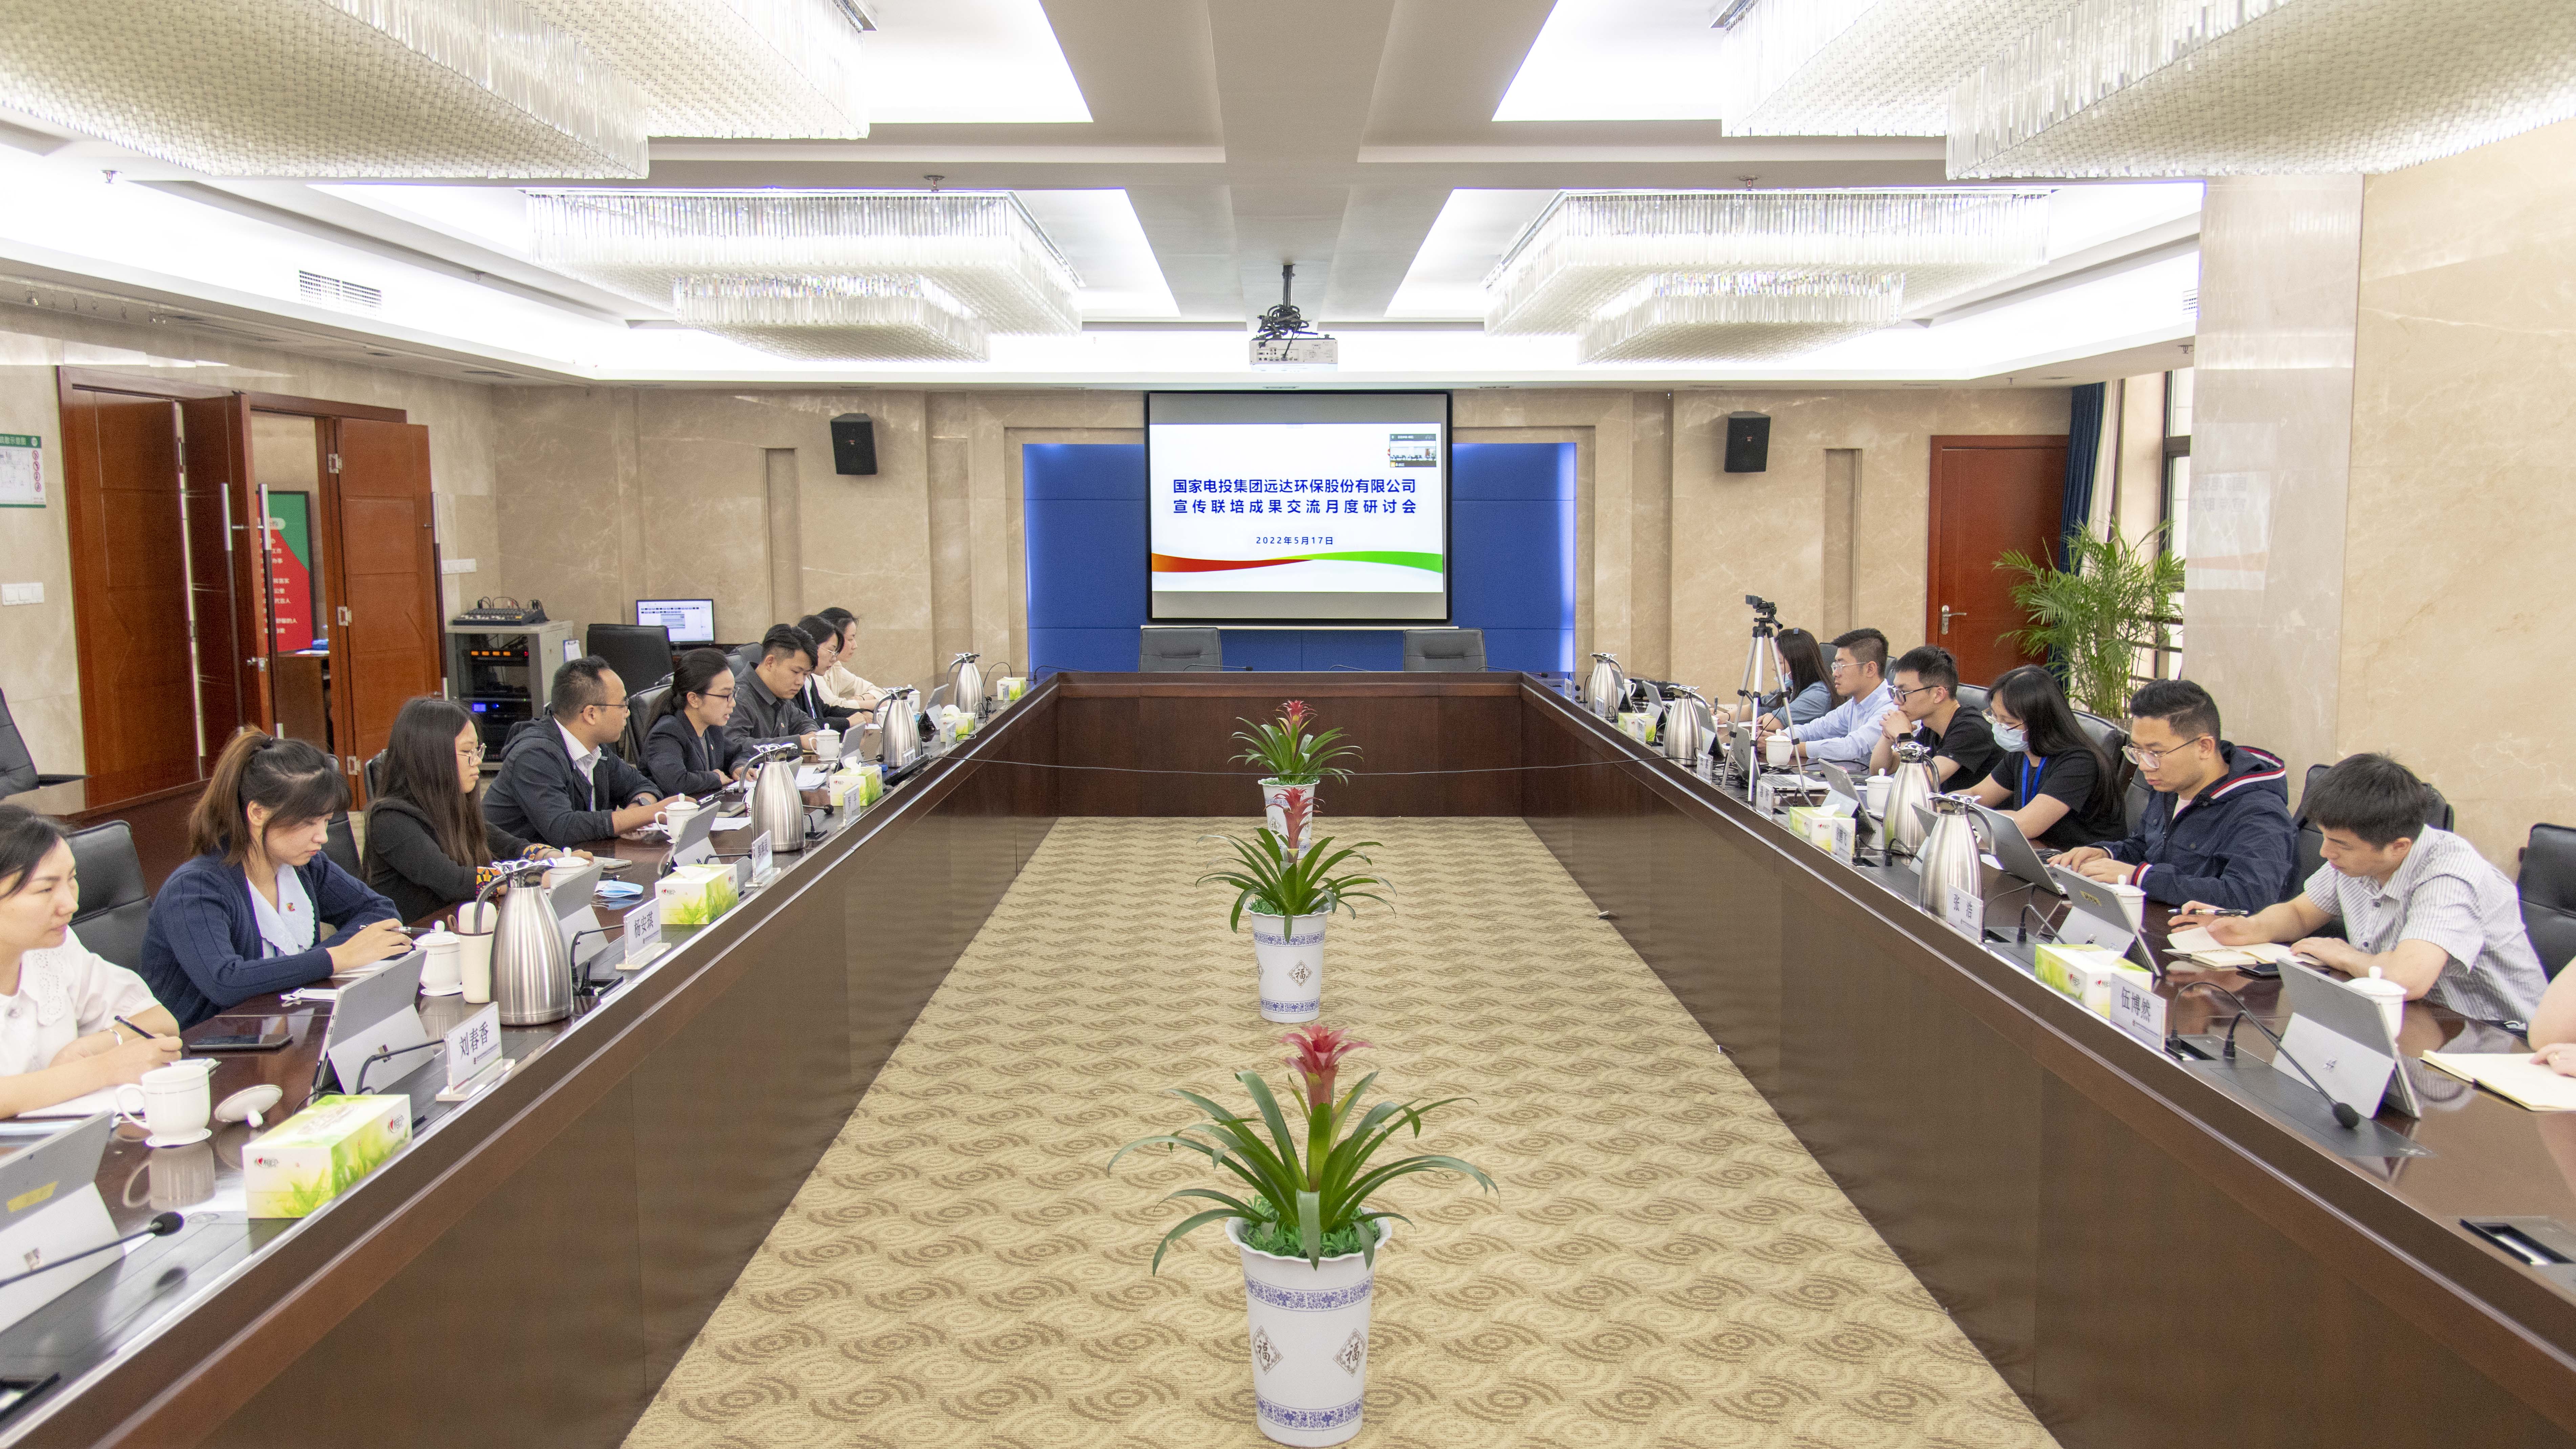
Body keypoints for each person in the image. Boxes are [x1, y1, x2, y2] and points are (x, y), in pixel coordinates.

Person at [2183, 754, 2547, 1022]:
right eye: (2325, 837)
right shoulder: (2357, 855)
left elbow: (2407, 979)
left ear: (2398, 847)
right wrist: (2249, 927)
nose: (2325, 852)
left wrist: (2343, 955)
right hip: (2410, 1020)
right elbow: (2300, 913)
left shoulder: (2450, 875)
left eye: (2339, 844)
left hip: (2494, 1042)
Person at [140, 729, 408, 1029]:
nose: (322, 837)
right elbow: (226, 982)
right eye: (308, 822)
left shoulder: (306, 866)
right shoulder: (194, 889)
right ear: (258, 813)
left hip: (286, 1026)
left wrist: (325, 960)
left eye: (326, 821)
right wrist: (334, 958)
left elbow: (379, 910)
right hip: (206, 1046)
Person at [0, 806, 185, 1116]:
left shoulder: (52, 948)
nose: (70, 904)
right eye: (45, 889)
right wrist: (103, 1068)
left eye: (72, 879)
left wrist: (89, 1048)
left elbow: (160, 1021)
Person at [2050, 679, 2295, 912]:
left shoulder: (2259, 812)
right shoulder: (2171, 785)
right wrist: (2107, 853)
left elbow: (2247, 897)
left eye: (2155, 753)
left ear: (2204, 747)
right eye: (2137, 750)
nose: (2144, 766)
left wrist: (2139, 877)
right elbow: (2146, 845)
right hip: (2156, 916)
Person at [364, 697, 572, 924]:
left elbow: (508, 845)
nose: (477, 761)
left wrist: (549, 857)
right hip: (419, 939)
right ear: (432, 757)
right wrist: (533, 877)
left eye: (477, 750)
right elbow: (454, 881)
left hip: (460, 925)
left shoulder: (451, 806)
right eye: (467, 751)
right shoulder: (390, 819)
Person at [482, 657, 663, 848]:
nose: (627, 712)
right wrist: (648, 814)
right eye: (622, 704)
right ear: (591, 714)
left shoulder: (597, 749)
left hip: (580, 860)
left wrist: (636, 812)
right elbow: (563, 829)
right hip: (517, 865)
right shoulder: (534, 756)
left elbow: (644, 786)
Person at [1955, 665, 2126, 852]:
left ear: (2041, 722)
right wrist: (1945, 803)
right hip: (2039, 851)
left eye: (2008, 722)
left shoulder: (2080, 763)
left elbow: (2026, 825)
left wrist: (1965, 813)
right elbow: (1977, 794)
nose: (1999, 727)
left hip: (2082, 862)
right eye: (1995, 717)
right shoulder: (2021, 754)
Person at [1867, 645, 2001, 785]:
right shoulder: (1931, 729)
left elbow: (1925, 780)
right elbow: (1880, 771)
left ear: (1938, 695)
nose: (1896, 701)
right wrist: (1888, 734)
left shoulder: (1972, 729)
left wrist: (1903, 736)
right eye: (1895, 692)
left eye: (1904, 693)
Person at [1760, 627, 1892, 768]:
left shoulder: (1890, 707)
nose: (1835, 673)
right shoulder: (1855, 704)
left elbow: (1851, 748)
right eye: (1835, 666)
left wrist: (1787, 748)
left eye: (1842, 666)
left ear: (1870, 669)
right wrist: (1782, 738)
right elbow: (1816, 728)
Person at [646, 648, 760, 796]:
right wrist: (715, 778)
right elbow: (676, 782)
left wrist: (738, 766)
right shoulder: (667, 733)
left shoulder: (711, 727)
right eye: (725, 695)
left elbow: (737, 753)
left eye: (733, 693)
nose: (733, 703)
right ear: (694, 699)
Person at [730, 625, 822, 754]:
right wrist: (797, 743)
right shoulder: (737, 698)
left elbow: (802, 721)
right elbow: (734, 745)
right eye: (796, 672)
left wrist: (812, 734)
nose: (800, 682)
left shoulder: (778, 692)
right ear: (770, 663)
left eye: (805, 674)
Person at [1727, 627, 1833, 729]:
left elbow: (1772, 723)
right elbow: (1753, 710)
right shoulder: (1791, 689)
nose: (1774, 668)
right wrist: (1726, 717)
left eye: (1780, 663)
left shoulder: (1818, 695)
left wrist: (1770, 716)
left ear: (1799, 665)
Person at [814, 606, 885, 719]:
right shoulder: (814, 671)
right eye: (851, 639)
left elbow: (878, 691)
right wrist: (876, 704)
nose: (855, 646)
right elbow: (833, 706)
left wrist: (861, 699)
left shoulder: (835, 667)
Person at [793, 614, 861, 728]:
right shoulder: (793, 682)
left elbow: (824, 710)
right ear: (812, 646)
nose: (834, 659)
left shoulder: (809, 678)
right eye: (831, 651)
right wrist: (847, 722)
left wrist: (860, 713)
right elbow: (801, 725)